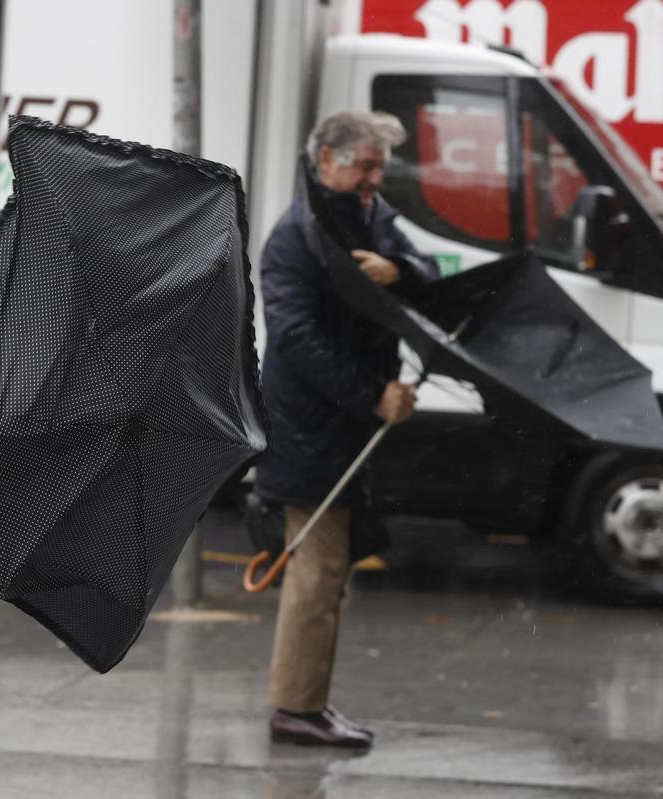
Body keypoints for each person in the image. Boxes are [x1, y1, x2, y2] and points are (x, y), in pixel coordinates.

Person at [255, 110, 440, 749]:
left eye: (380, 169)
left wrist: (401, 272)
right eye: (364, 167)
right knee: (319, 569)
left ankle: (308, 703)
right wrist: (373, 396)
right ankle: (295, 709)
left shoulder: (371, 214)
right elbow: (297, 340)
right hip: (309, 430)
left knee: (327, 570)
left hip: (343, 427)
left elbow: (429, 269)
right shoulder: (292, 239)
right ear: (327, 160)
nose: (373, 180)